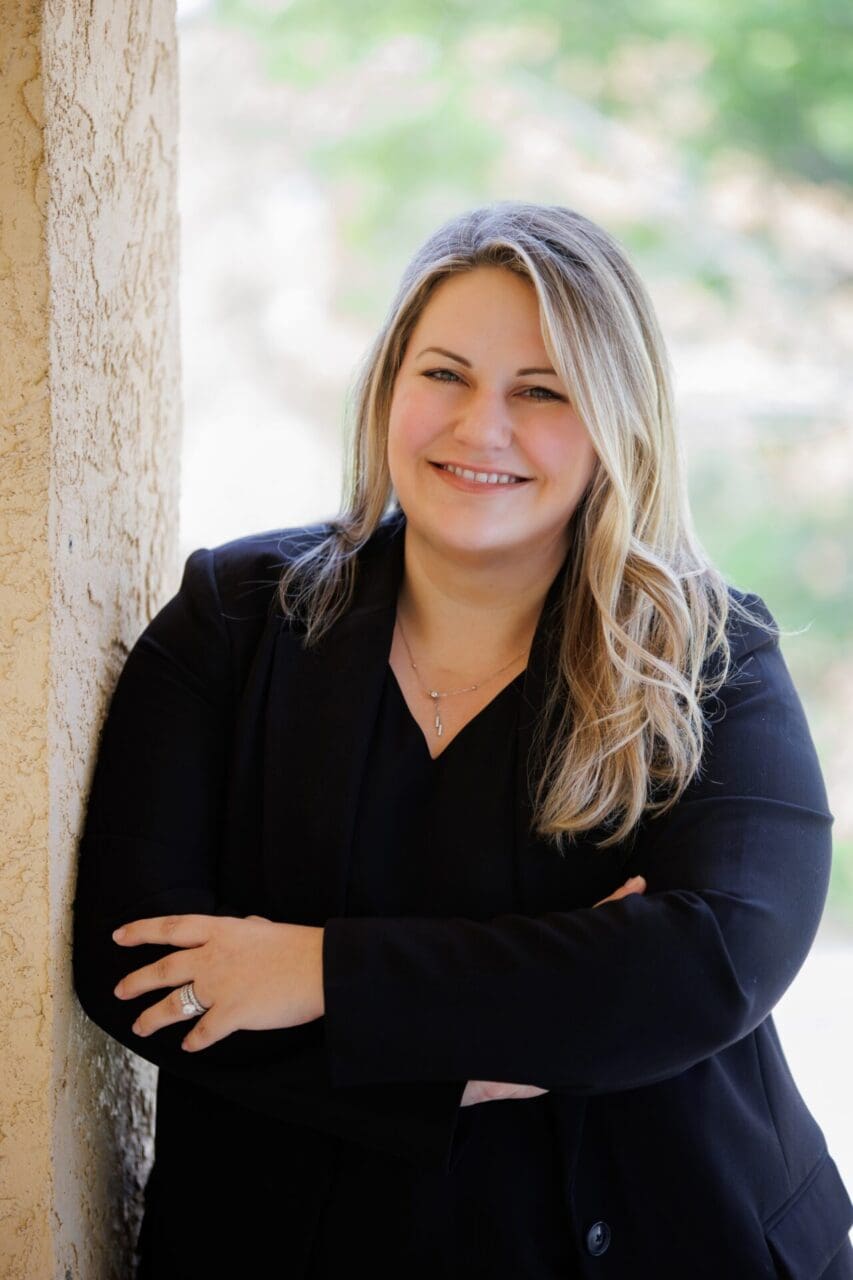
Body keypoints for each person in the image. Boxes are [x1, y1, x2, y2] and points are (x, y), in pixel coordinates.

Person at [71, 201, 853, 1279]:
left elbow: (707, 965)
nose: (478, 428)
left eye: (541, 391)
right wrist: (514, 1041)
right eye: (443, 374)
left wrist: (314, 971)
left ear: (617, 420)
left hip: (674, 1232)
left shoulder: (711, 654)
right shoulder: (230, 618)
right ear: (390, 384)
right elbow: (139, 970)